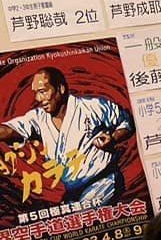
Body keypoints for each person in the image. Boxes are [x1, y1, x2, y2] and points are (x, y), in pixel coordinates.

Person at [0, 67, 132, 206]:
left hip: (104, 182)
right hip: (73, 192)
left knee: (84, 216)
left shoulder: (92, 107)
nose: (38, 98)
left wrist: (114, 137)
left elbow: (126, 121)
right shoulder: (38, 118)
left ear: (60, 89)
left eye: (43, 92)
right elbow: (10, 130)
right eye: (36, 93)